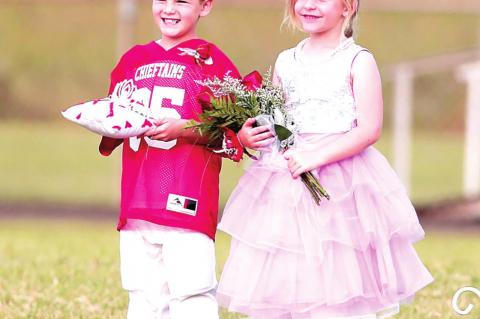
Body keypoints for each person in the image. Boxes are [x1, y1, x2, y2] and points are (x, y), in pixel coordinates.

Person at [217, 0, 434, 318]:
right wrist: (256, 135)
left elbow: (369, 129)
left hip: (342, 180)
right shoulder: (285, 61)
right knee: (288, 262)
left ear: (348, 7)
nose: (308, 5)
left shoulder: (358, 61)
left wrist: (316, 156)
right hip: (288, 175)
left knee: (336, 262)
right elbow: (280, 121)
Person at [98, 0, 239, 318]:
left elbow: (232, 132)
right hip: (138, 201)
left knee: (192, 294)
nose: (169, 8)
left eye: (182, 1)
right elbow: (114, 119)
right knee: (143, 297)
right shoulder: (133, 60)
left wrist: (186, 128)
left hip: (187, 200)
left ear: (205, 6)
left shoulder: (212, 61)